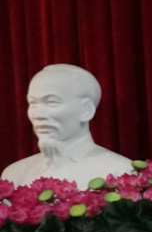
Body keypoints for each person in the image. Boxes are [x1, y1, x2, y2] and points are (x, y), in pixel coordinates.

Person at [3, 64, 134, 188]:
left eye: (52, 102)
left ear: (86, 110)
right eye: (32, 103)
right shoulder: (15, 174)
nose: (38, 115)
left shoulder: (120, 173)